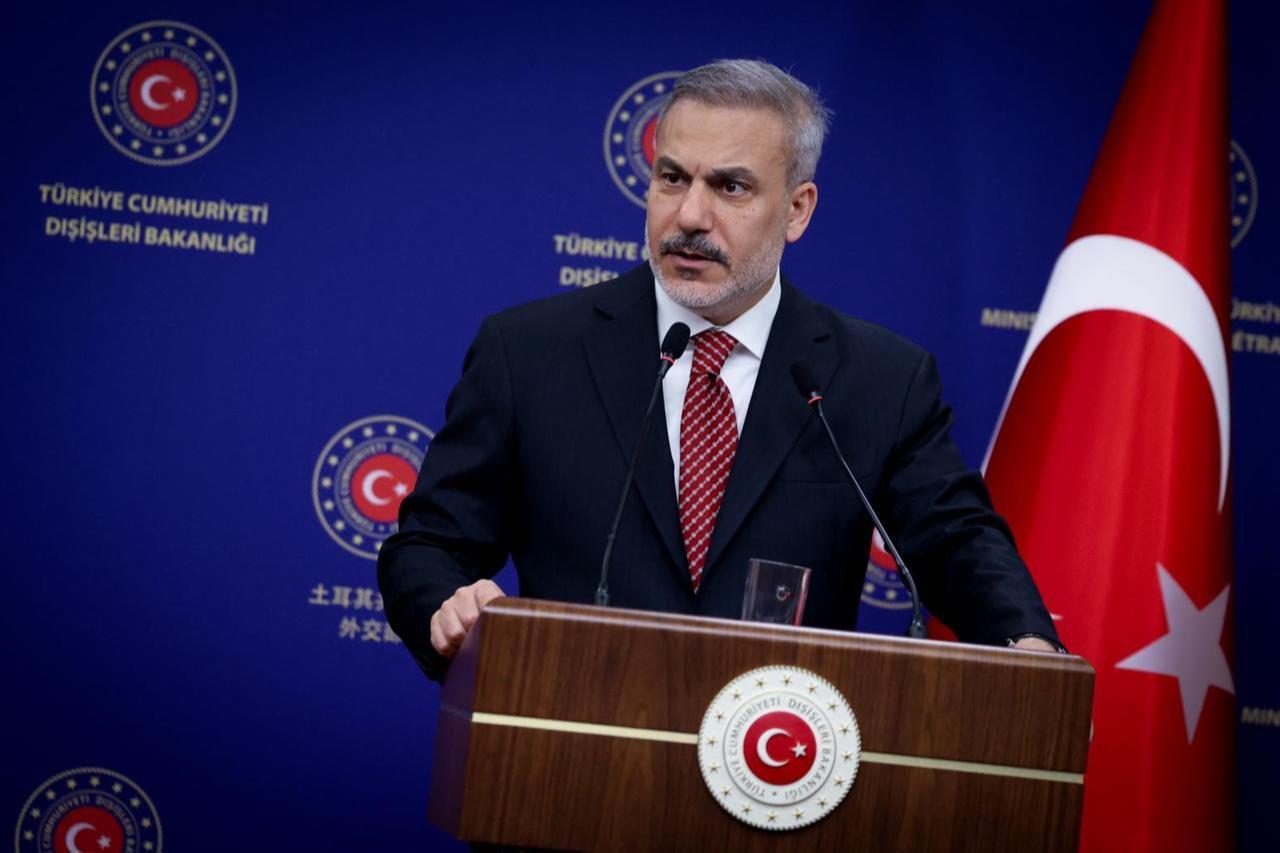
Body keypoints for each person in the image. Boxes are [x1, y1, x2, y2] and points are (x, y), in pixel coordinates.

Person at [377, 59, 1061, 681]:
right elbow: (428, 545)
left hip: (780, 778)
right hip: (563, 768)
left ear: (797, 210)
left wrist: (1025, 642)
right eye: (672, 178)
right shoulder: (529, 352)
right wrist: (448, 604)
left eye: (730, 186)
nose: (690, 215)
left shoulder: (879, 377)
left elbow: (954, 540)